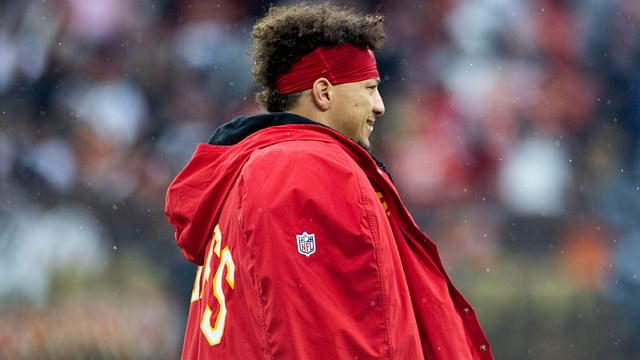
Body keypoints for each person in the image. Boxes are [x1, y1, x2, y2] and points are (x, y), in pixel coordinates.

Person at [165, 3, 493, 359]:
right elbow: (315, 334)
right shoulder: (304, 165)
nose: (379, 105)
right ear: (323, 93)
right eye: (368, 88)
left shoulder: (254, 167)